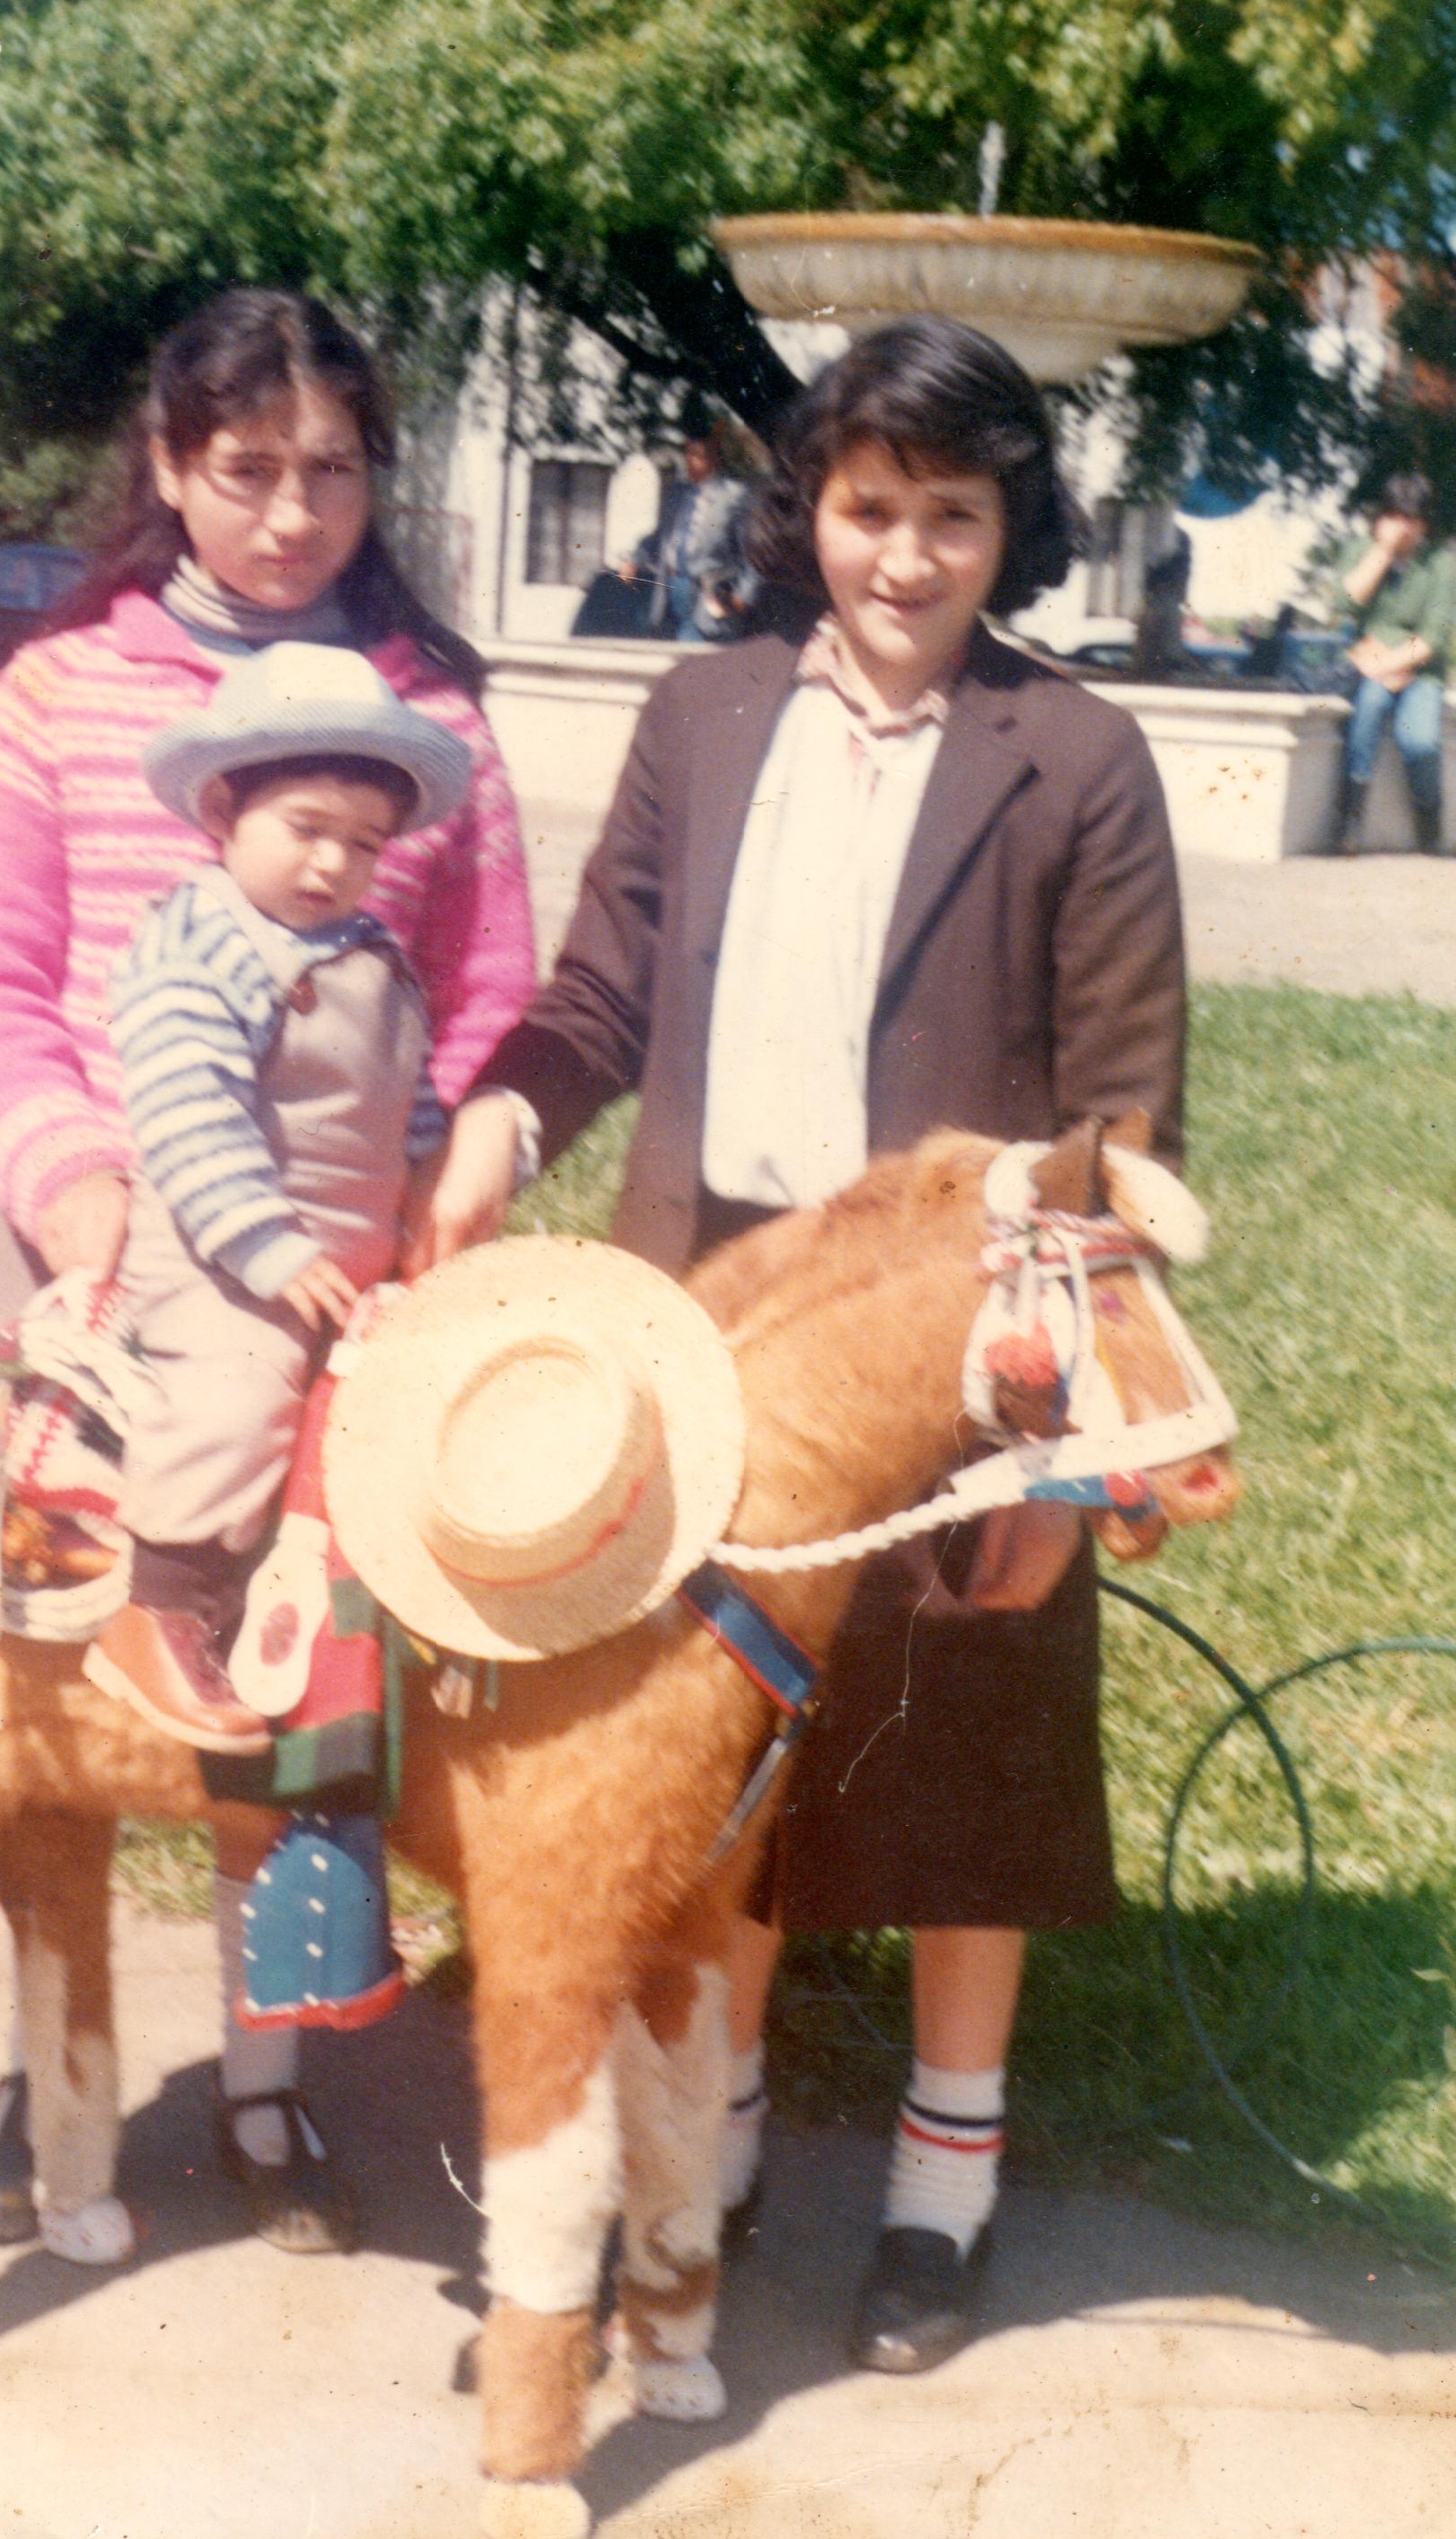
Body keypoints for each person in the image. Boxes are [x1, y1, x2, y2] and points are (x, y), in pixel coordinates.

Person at [412, 315, 1186, 2375]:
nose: (907, 558)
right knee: (711, 1732)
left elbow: (1119, 1120)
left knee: (968, 1726)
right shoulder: (703, 711)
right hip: (705, 1304)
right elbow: (593, 993)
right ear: (805, 509)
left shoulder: (1077, 760)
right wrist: (500, 1114)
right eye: (867, 509)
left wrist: (1066, 1446)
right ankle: (719, 2123)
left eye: (953, 515)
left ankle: (944, 2170)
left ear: (1009, 522)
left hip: (959, 1333)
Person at [0, 288, 537, 2253]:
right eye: (247, 471)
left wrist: (446, 1172)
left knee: (301, 1687)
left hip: (345, 1278)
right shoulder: (59, 693)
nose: (291, 514)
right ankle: (45, 2069)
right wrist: (79, 1182)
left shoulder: (430, 718)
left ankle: (271, 2088)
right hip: (103, 1256)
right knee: (55, 1690)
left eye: (335, 471)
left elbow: (485, 994)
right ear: (171, 468)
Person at [86, 644, 470, 1749]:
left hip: (350, 1266)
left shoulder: (371, 954)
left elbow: (405, 1096)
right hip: (226, 1261)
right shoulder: (201, 940)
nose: (332, 864)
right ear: (223, 810)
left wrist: (436, 1180)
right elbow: (186, 1109)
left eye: (363, 844)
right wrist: (262, 1244)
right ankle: (160, 1607)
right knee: (238, 1394)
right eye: (305, 827)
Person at [1332, 471, 1453, 854]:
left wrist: (1388, 666)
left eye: (1412, 519)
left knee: (1419, 741)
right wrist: (1382, 553)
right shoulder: (1361, 550)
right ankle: (1349, 820)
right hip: (1371, 667)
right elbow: (1346, 603)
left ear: (1424, 523)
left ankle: (1428, 817)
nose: (1404, 528)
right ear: (1383, 518)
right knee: (1367, 709)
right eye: (1396, 517)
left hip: (1417, 671)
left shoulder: (1441, 564)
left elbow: (1434, 636)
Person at [622, 412, 756, 642]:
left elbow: (752, 553)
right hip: (670, 590)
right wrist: (635, 558)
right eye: (688, 453)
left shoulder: (734, 496)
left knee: (694, 658)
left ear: (714, 458)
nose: (690, 461)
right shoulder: (676, 494)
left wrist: (742, 597)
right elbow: (659, 538)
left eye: (698, 455)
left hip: (708, 596)